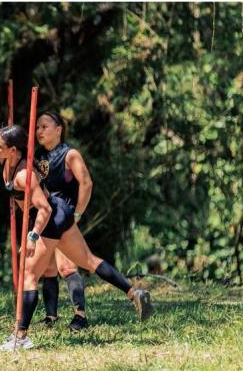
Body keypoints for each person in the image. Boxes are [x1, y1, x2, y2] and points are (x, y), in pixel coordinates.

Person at [0, 125, 153, 350]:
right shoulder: (5, 155)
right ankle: (134, 293)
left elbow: (44, 210)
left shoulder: (24, 175)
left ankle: (20, 337)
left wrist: (33, 236)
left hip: (48, 219)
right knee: (89, 260)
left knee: (28, 276)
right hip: (59, 213)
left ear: (13, 150)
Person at [32, 111, 153, 332]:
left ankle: (81, 316)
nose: (39, 131)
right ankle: (51, 318)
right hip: (48, 217)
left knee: (69, 266)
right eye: (37, 127)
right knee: (51, 268)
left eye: (44, 126)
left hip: (62, 217)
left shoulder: (70, 154)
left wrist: (76, 214)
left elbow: (86, 183)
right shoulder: (38, 157)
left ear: (58, 129)